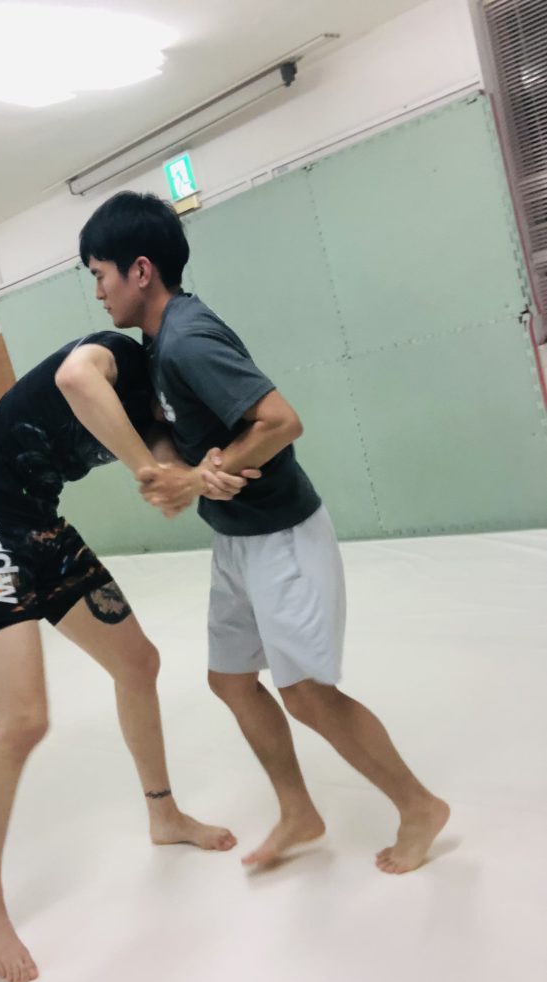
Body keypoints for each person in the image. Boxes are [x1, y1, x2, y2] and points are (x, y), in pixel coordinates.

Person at [77, 190, 450, 876]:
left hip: (282, 536)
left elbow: (281, 422)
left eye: (99, 275)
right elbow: (196, 435)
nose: (97, 292)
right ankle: (298, 811)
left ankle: (418, 806)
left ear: (140, 271)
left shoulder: (188, 339)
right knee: (230, 679)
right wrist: (190, 472)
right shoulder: (158, 343)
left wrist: (199, 479)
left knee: (306, 693)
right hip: (236, 538)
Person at [0, 329, 256, 982]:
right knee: (23, 720)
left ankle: (163, 814)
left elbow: (170, 472)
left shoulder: (159, 418)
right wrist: (152, 471)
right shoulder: (115, 356)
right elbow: (76, 380)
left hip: (41, 525)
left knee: (137, 664)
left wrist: (195, 480)